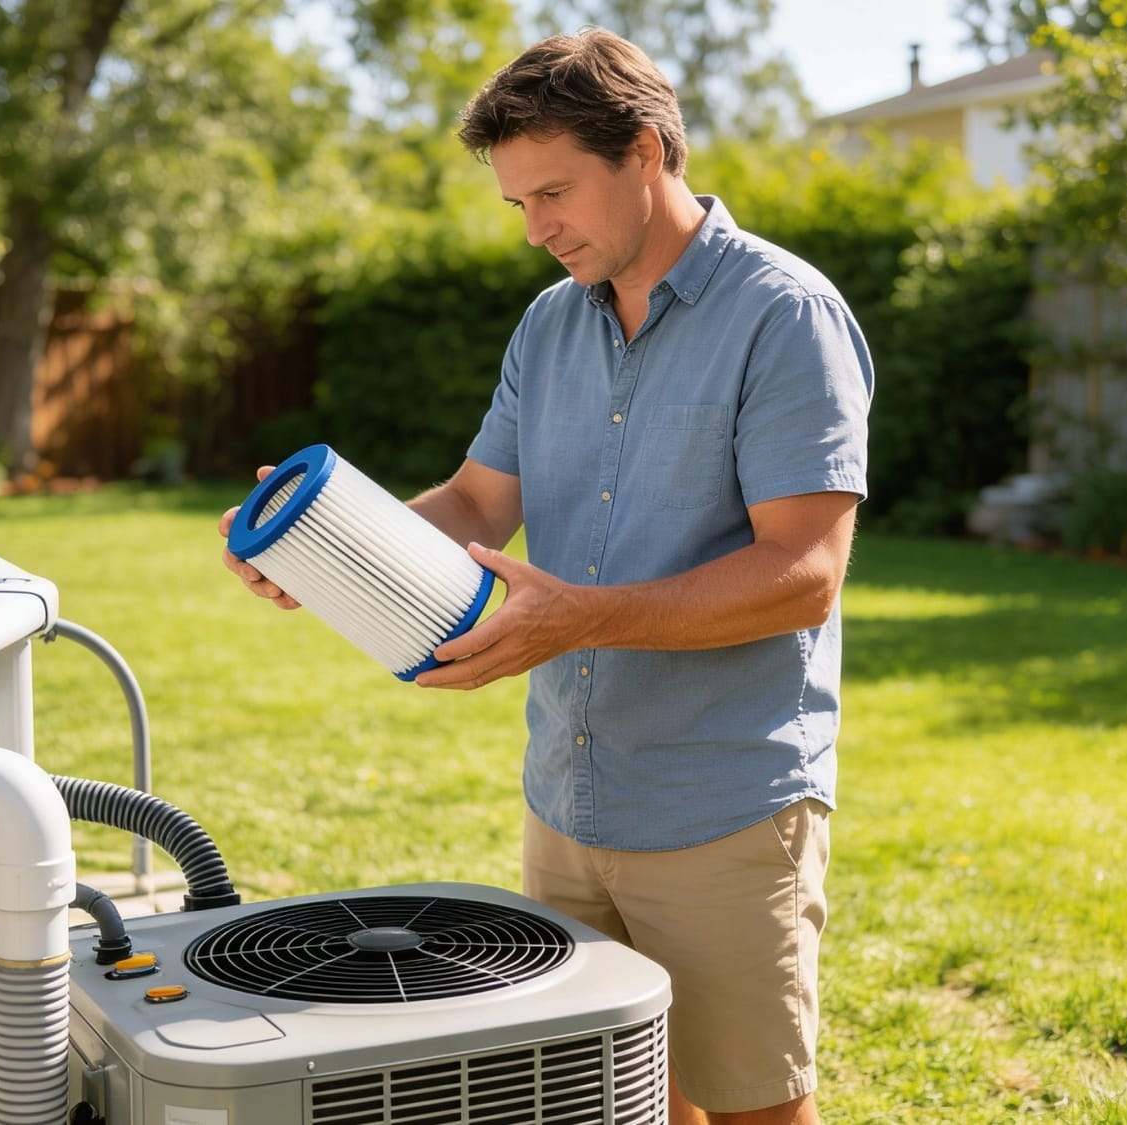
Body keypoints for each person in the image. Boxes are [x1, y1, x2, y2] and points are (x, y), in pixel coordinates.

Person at [221, 28, 871, 1125]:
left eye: (555, 194)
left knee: (753, 1108)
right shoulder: (550, 322)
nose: (535, 231)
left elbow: (801, 575)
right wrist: (327, 549)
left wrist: (575, 620)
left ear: (647, 152)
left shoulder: (782, 316)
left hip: (719, 802)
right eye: (518, 204)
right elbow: (477, 503)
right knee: (617, 1098)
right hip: (567, 799)